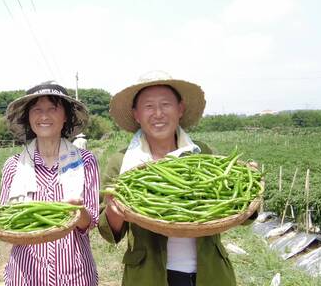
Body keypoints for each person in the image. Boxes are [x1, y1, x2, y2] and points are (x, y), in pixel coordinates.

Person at [99, 73, 238, 286]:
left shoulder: (203, 153)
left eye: (165, 104)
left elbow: (241, 213)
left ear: (180, 109)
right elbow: (109, 233)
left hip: (209, 274)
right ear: (136, 114)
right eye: (148, 107)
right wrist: (114, 211)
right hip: (148, 276)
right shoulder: (122, 161)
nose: (158, 113)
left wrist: (245, 186)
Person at [0, 81, 99, 285]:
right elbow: (6, 224)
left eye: (52, 109)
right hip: (26, 275)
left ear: (65, 117)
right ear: (28, 117)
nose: (44, 116)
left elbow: (90, 223)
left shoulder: (85, 161)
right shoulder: (13, 166)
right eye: (37, 109)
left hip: (75, 275)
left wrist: (78, 211)